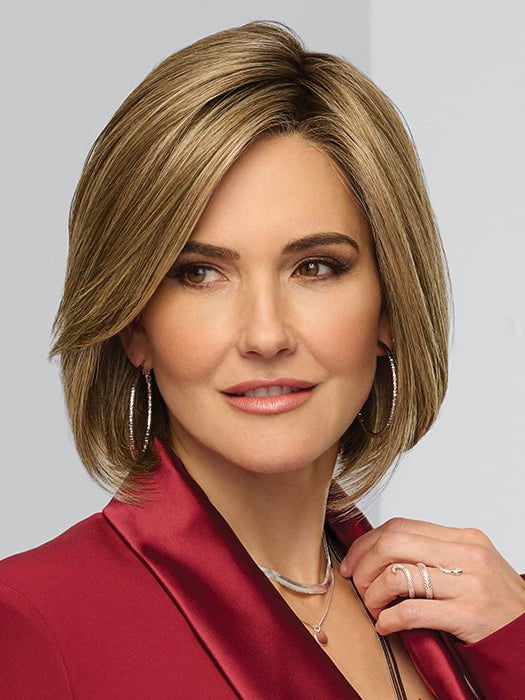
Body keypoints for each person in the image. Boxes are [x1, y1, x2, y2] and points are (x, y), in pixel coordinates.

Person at [1, 19, 524, 699]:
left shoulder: (477, 621)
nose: (266, 333)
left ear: (388, 309)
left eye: (316, 266)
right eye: (199, 273)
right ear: (134, 326)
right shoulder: (33, 623)